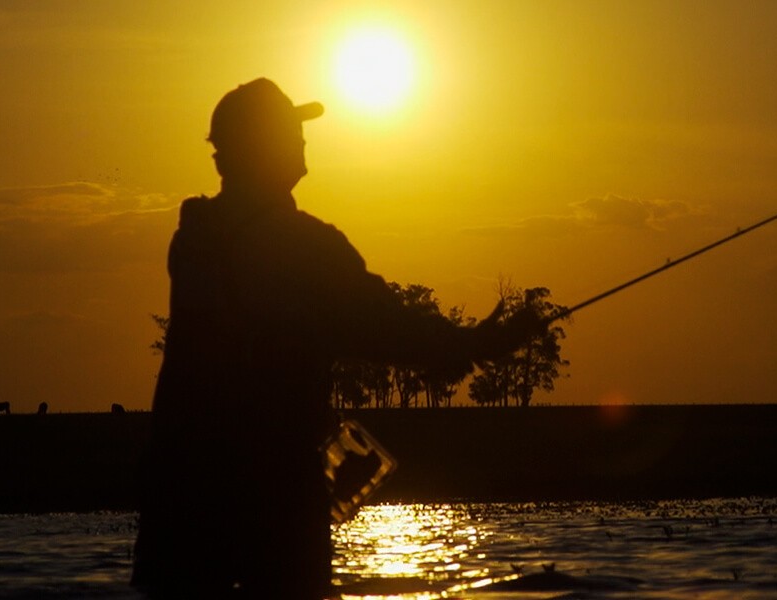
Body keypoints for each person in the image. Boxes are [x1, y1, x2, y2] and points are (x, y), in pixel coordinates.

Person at [132, 78, 545, 598]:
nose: (302, 140)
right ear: (263, 149)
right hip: (273, 496)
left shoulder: (193, 240)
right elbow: (386, 326)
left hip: (180, 499)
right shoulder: (304, 246)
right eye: (290, 130)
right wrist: (481, 344)